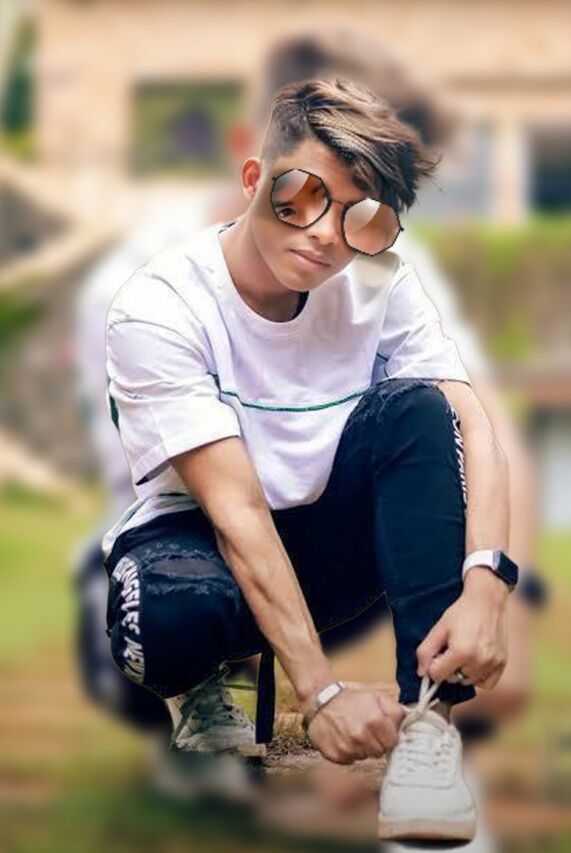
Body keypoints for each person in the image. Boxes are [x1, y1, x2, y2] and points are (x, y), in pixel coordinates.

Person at [100, 76, 517, 843]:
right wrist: (319, 694)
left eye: (361, 217)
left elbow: (470, 424)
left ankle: (429, 726)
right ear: (252, 179)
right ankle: (201, 687)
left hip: (324, 538)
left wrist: (487, 581)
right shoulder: (158, 306)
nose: (326, 233)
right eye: (301, 196)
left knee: (420, 408)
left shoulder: (381, 285)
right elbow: (236, 512)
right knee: (170, 614)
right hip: (200, 545)